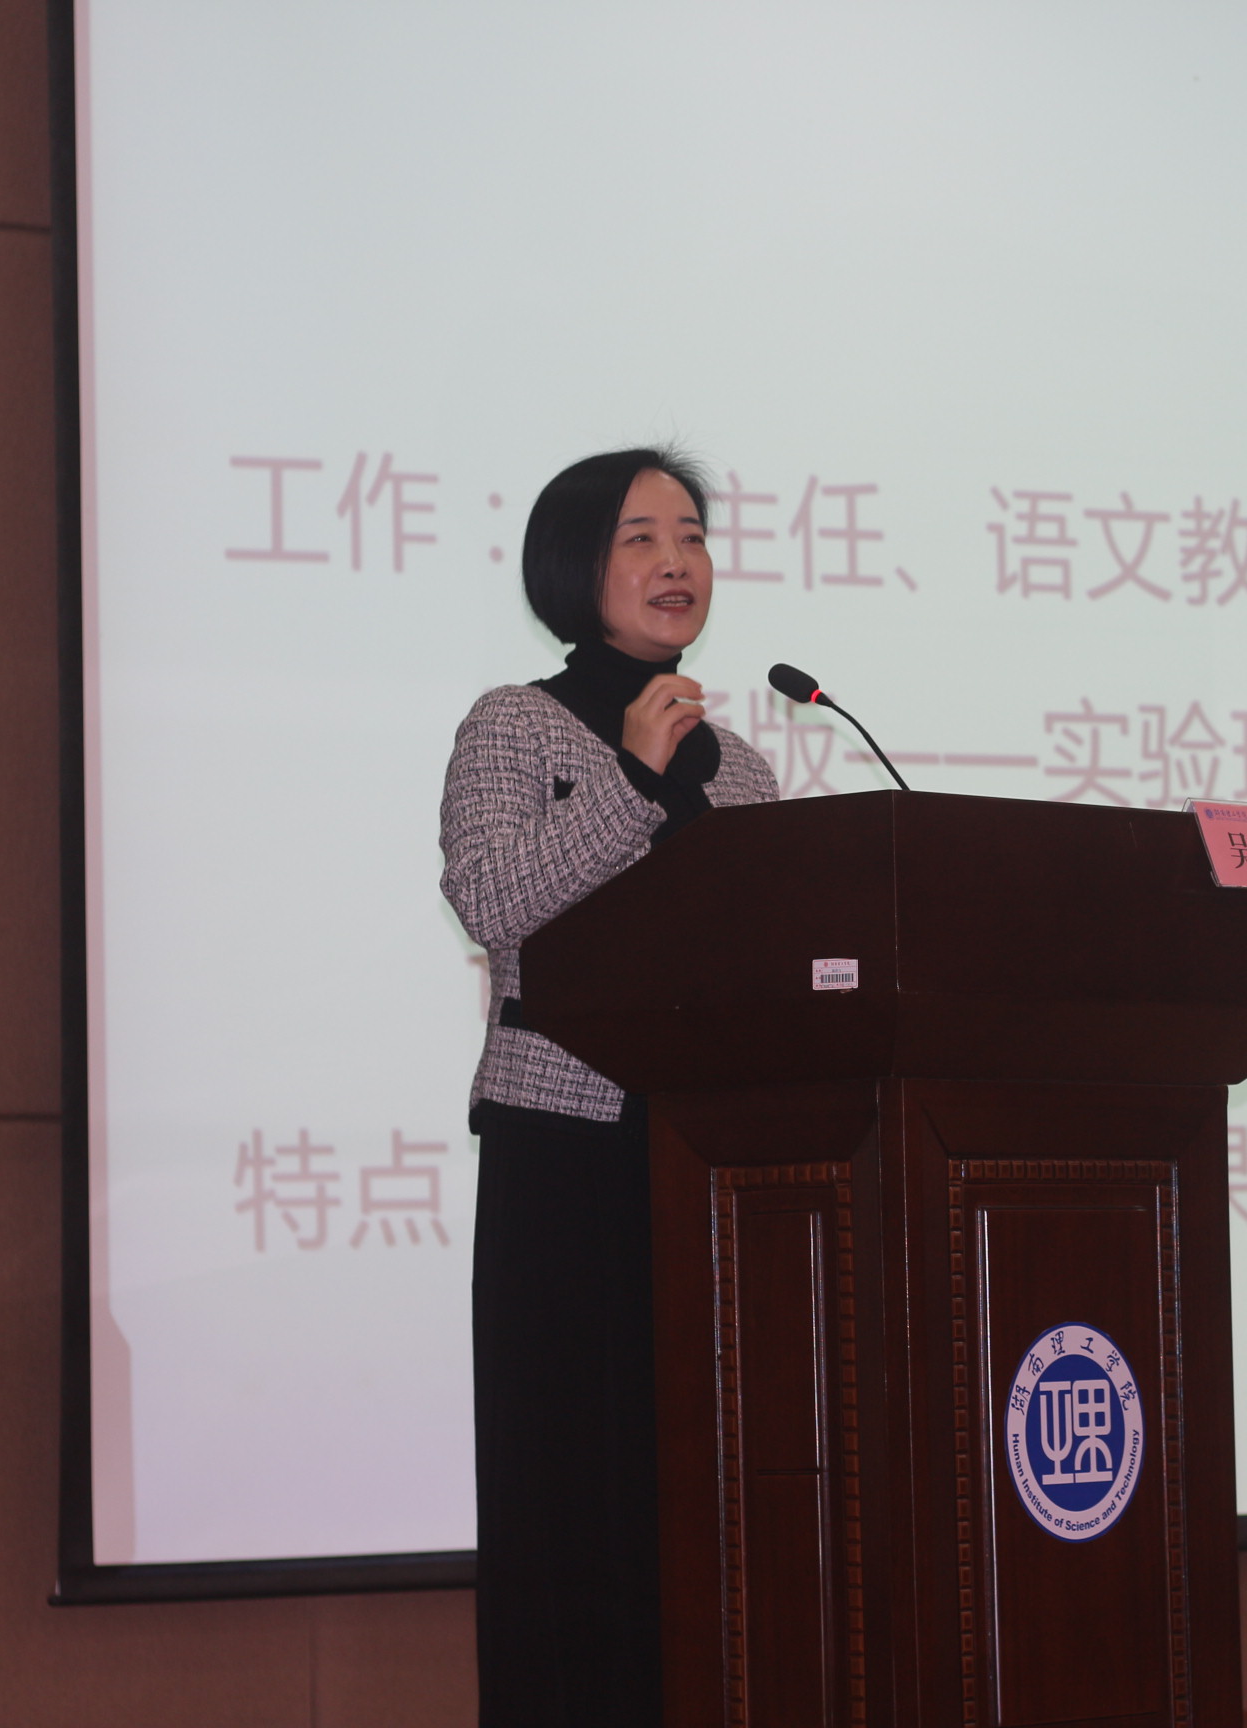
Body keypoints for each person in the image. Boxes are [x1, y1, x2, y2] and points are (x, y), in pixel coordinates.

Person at [439, 447, 782, 1727]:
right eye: (641, 537)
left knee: (700, 1489)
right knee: (568, 1484)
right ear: (575, 567)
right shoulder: (513, 724)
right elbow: (493, 899)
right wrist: (632, 781)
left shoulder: (740, 767)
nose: (676, 561)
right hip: (565, 1154)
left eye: (690, 535)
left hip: (711, 1166)